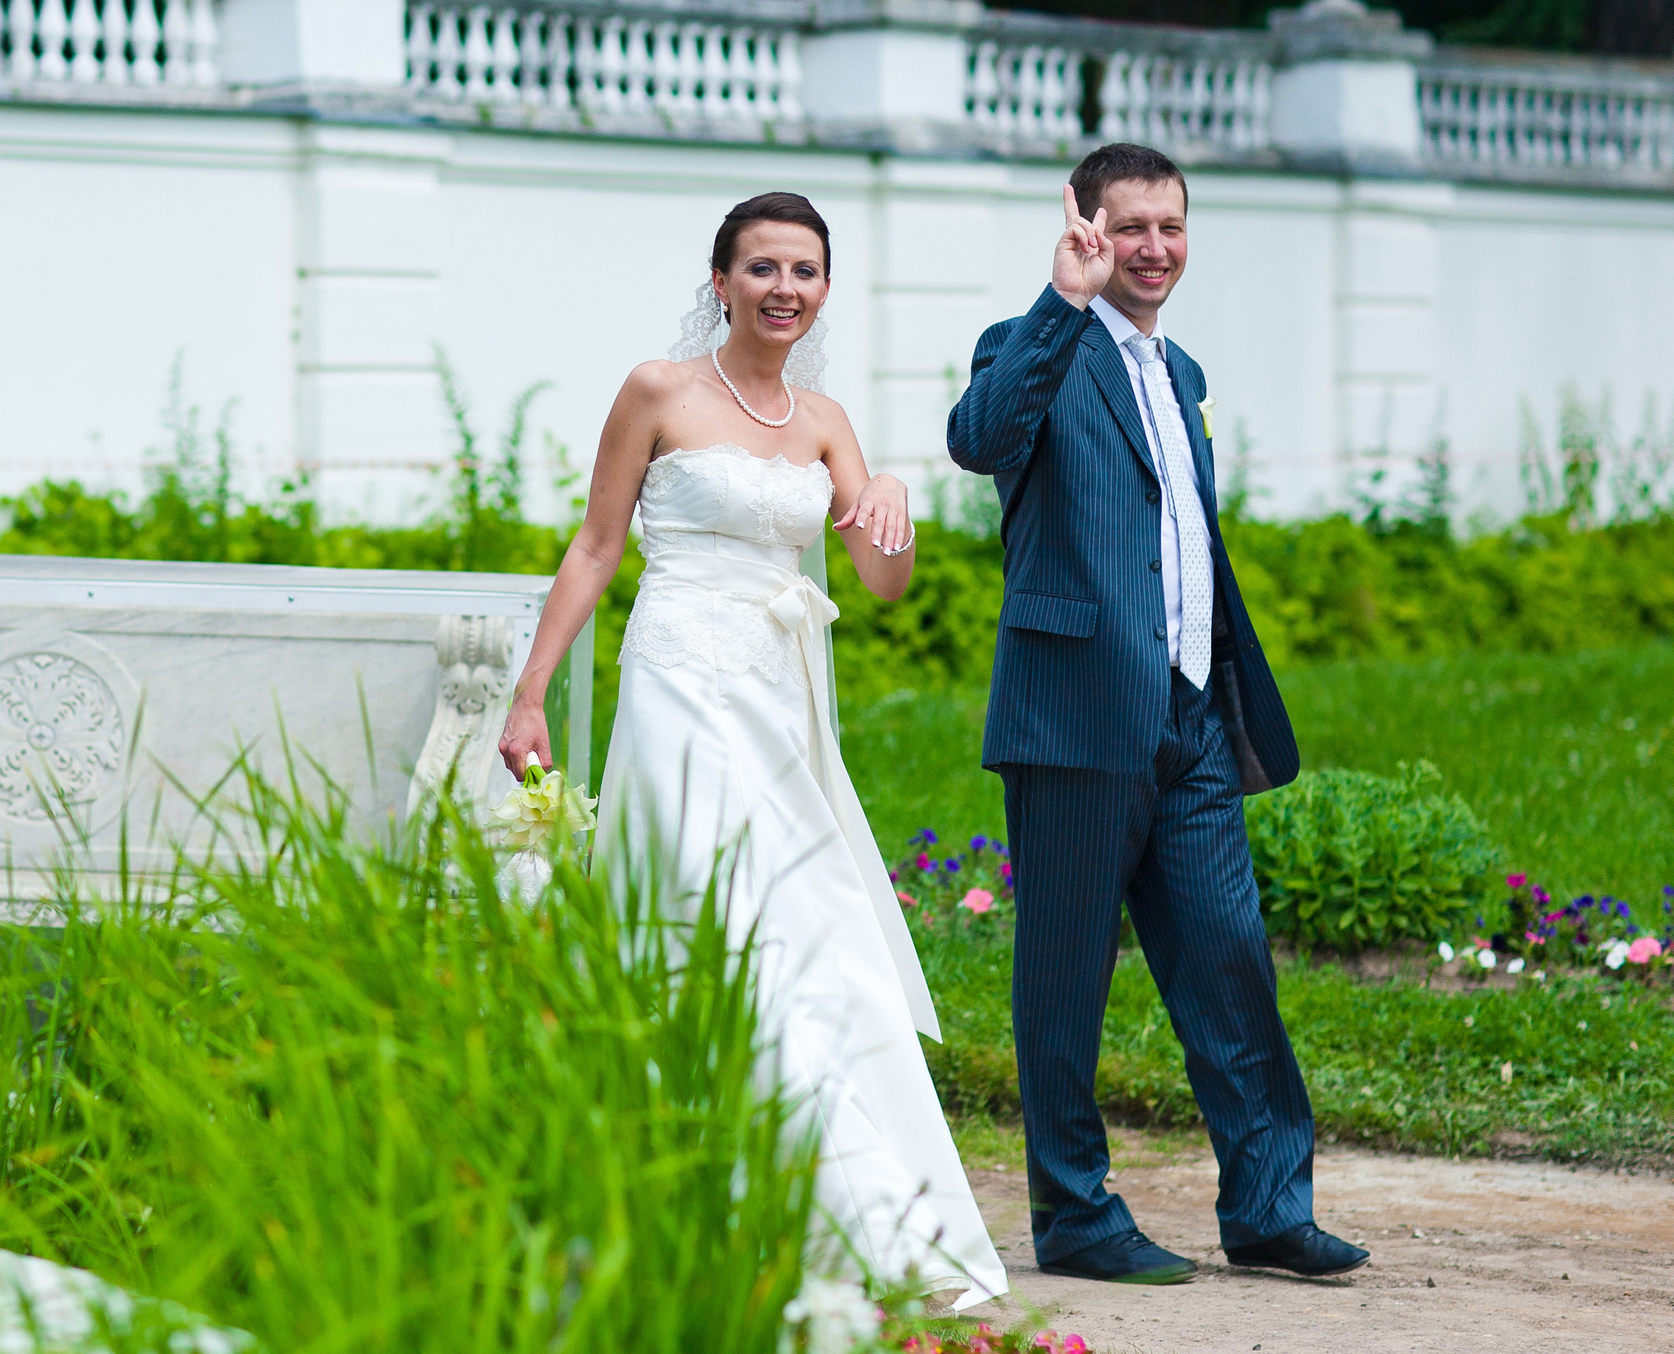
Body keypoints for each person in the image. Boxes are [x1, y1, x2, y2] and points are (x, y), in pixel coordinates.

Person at [496, 191, 1008, 1308]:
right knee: (702, 911)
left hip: (781, 697)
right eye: (764, 267)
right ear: (722, 280)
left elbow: (881, 580)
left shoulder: (824, 422)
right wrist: (530, 693)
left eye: (805, 271)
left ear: (824, 290)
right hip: (678, 677)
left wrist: (890, 496)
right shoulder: (658, 390)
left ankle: (835, 1202)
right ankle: (691, 1188)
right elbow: (594, 548)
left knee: (807, 926)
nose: (786, 288)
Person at [944, 142, 1367, 1285]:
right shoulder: (1029, 343)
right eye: (1127, 226)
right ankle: (1074, 1215)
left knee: (1229, 961)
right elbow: (979, 439)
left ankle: (1267, 1206)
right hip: (1074, 716)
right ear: (1084, 229)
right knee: (1064, 980)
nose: (1151, 248)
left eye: (1169, 227)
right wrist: (1060, 300)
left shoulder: (1183, 373)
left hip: (1191, 720)